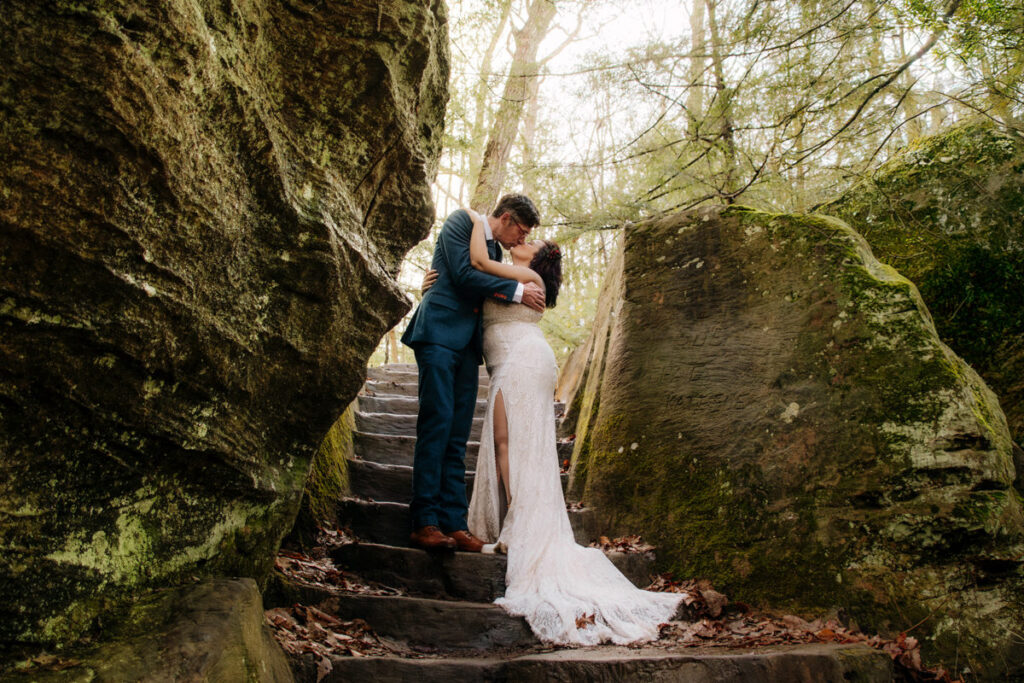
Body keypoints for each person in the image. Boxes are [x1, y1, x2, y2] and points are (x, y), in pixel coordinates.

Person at [424, 208, 684, 645]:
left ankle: (519, 520)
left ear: (539, 259)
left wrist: (471, 220)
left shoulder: (532, 279)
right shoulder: (511, 267)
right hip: (509, 360)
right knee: (507, 443)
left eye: (531, 241)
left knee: (509, 443)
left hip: (523, 360)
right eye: (523, 232)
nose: (524, 239)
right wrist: (435, 279)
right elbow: (473, 275)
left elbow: (479, 266)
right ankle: (516, 518)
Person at [400, 194, 546, 552]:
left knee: (458, 432)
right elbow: (464, 275)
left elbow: (483, 288)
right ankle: (425, 522)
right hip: (437, 335)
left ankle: (454, 522)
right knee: (437, 422)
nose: (522, 241)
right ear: (507, 218)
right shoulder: (461, 222)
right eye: (522, 231)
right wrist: (517, 291)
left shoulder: (494, 253)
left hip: (468, 347)